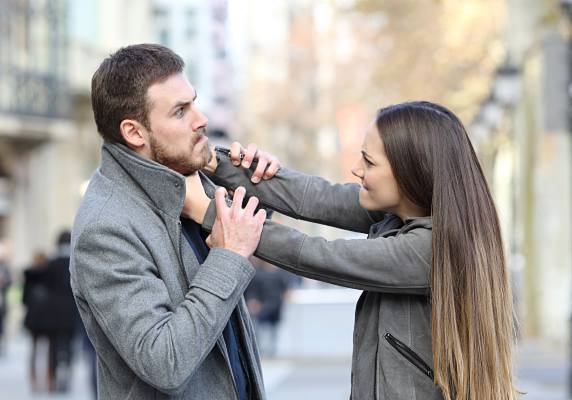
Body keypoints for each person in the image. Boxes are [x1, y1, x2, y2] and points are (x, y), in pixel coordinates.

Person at [183, 101, 516, 400]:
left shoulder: (431, 250)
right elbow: (315, 196)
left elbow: (319, 255)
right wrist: (216, 163)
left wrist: (208, 211)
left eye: (369, 162)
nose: (357, 169)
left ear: (411, 174)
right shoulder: (401, 213)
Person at [70, 44, 267, 400]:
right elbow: (164, 361)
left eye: (194, 101)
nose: (201, 118)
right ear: (134, 133)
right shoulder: (106, 228)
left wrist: (255, 177)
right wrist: (229, 258)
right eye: (180, 112)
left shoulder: (186, 182)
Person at [43, 230, 79, 393]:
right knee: (70, 343)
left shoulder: (51, 263)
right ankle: (68, 373)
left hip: (52, 311)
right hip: (71, 310)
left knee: (53, 345)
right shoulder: (75, 261)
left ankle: (53, 377)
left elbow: (45, 286)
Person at [244, 257, 291, 358]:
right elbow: (252, 290)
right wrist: (253, 301)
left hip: (276, 305)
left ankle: (272, 351)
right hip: (262, 306)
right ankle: (260, 351)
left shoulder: (281, 274)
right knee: (260, 329)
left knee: (273, 329)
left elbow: (285, 289)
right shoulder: (258, 273)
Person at [22, 251, 52, 392]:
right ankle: (48, 377)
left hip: (33, 317)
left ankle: (33, 378)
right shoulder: (49, 275)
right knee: (48, 350)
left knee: (34, 349)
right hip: (47, 317)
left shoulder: (29, 275)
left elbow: (24, 299)